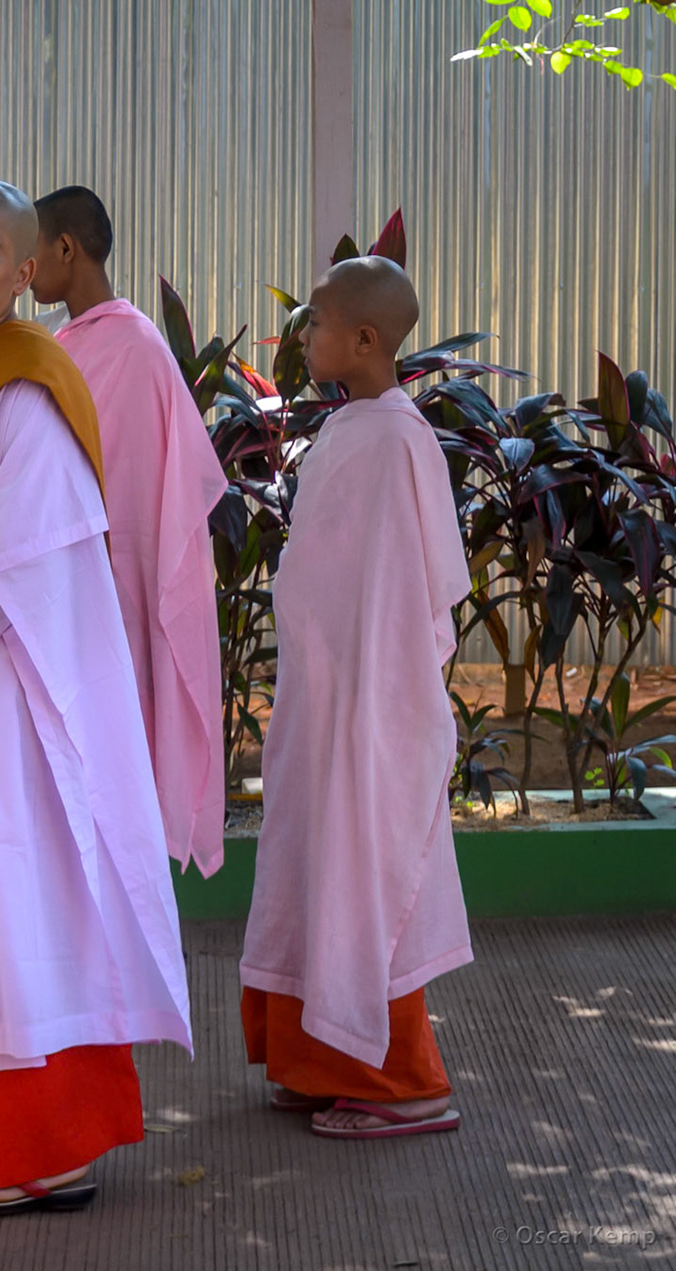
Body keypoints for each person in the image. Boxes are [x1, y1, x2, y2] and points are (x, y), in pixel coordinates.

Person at [0, 180, 192, 1217]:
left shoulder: (30, 385)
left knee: (6, 907)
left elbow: (19, 562)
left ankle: (34, 1145)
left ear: (29, 272)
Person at [240, 255, 470, 1140]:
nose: (304, 334)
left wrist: (371, 701)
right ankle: (317, 1063)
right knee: (313, 863)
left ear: (365, 338)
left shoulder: (392, 439)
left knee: (358, 874)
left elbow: (401, 599)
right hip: (325, 697)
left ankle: (404, 1082)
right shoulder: (357, 428)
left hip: (368, 706)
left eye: (318, 320)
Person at [35, 184, 230, 877]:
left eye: (31, 248)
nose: (24, 268)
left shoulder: (139, 348)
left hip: (119, 601)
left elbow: (157, 498)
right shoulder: (55, 346)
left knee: (118, 797)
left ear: (65, 248)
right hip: (57, 596)